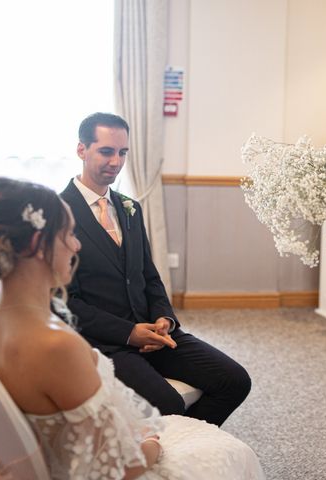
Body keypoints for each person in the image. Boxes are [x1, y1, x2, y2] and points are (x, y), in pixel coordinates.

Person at [0, 177, 265, 479]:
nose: (76, 245)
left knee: (230, 382)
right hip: (98, 467)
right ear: (38, 244)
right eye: (68, 235)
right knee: (231, 455)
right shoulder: (59, 345)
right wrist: (153, 445)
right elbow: (122, 466)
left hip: (38, 462)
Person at [60, 112, 251, 426]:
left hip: (154, 332)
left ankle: (183, 448)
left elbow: (148, 275)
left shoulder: (129, 208)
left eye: (123, 152)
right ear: (82, 150)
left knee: (235, 380)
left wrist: (164, 318)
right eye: (106, 151)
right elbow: (65, 303)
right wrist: (129, 333)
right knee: (169, 406)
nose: (116, 161)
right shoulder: (59, 213)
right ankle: (167, 454)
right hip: (105, 343)